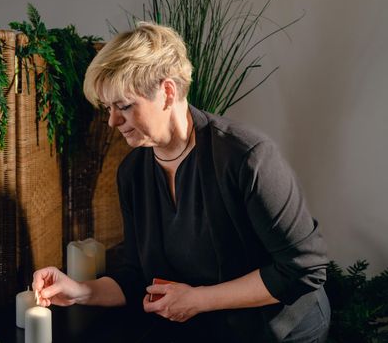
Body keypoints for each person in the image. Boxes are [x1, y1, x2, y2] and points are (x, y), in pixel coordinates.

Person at [32, 22, 330, 342]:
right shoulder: (132, 173)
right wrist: (79, 291)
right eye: (108, 108)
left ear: (167, 91)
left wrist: (197, 300)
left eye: (124, 106)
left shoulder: (248, 157)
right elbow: (134, 275)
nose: (112, 121)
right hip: (206, 327)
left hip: (280, 330)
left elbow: (303, 269)